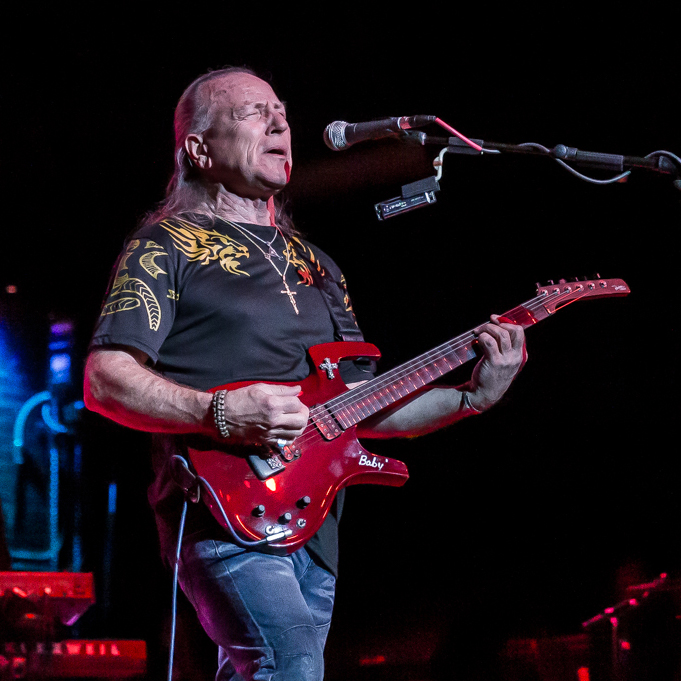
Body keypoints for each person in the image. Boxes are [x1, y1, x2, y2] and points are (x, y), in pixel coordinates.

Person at [83, 66, 526, 681]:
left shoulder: (319, 266)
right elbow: (105, 379)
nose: (279, 124)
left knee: (274, 669)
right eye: (252, 112)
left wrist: (471, 397)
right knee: (288, 664)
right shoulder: (166, 246)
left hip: (313, 521)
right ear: (200, 150)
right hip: (222, 510)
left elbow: (363, 406)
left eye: (282, 113)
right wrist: (220, 413)